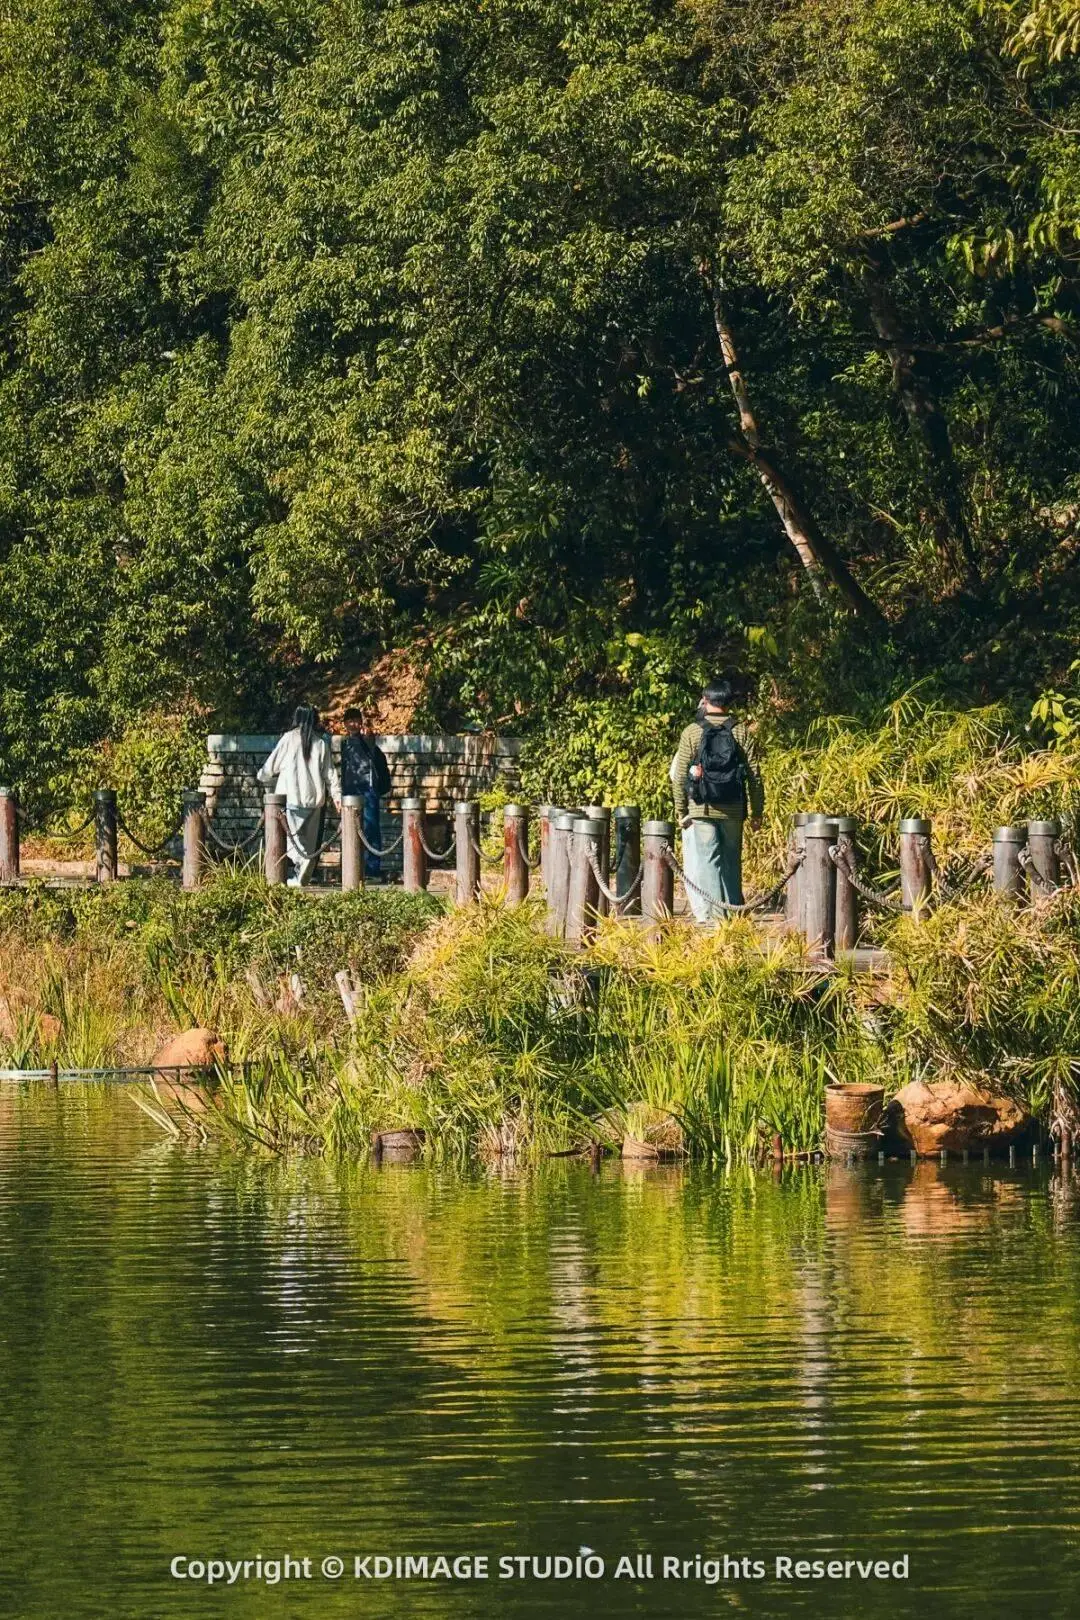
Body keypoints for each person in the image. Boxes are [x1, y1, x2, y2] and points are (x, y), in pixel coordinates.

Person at [671, 678, 764, 921]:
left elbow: (679, 775)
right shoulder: (740, 730)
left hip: (702, 807)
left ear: (706, 700)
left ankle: (717, 919)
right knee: (732, 860)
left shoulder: (692, 731)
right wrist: (757, 812)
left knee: (709, 862)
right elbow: (755, 775)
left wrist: (681, 810)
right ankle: (736, 916)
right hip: (733, 808)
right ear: (727, 702)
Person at [257, 705, 341, 887]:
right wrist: (337, 796)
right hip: (315, 801)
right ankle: (301, 876)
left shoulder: (288, 739)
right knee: (308, 846)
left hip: (291, 798)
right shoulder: (321, 744)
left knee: (291, 840)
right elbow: (330, 774)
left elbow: (270, 766)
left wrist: (261, 776)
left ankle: (302, 865)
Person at [339, 708, 392, 880]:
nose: (353, 724)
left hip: (368, 789)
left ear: (360, 723)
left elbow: (371, 744)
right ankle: (351, 866)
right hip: (350, 790)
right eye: (350, 721)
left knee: (371, 828)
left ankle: (372, 868)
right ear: (345, 724)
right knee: (350, 829)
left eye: (356, 720)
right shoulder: (344, 744)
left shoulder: (368, 741)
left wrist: (368, 734)